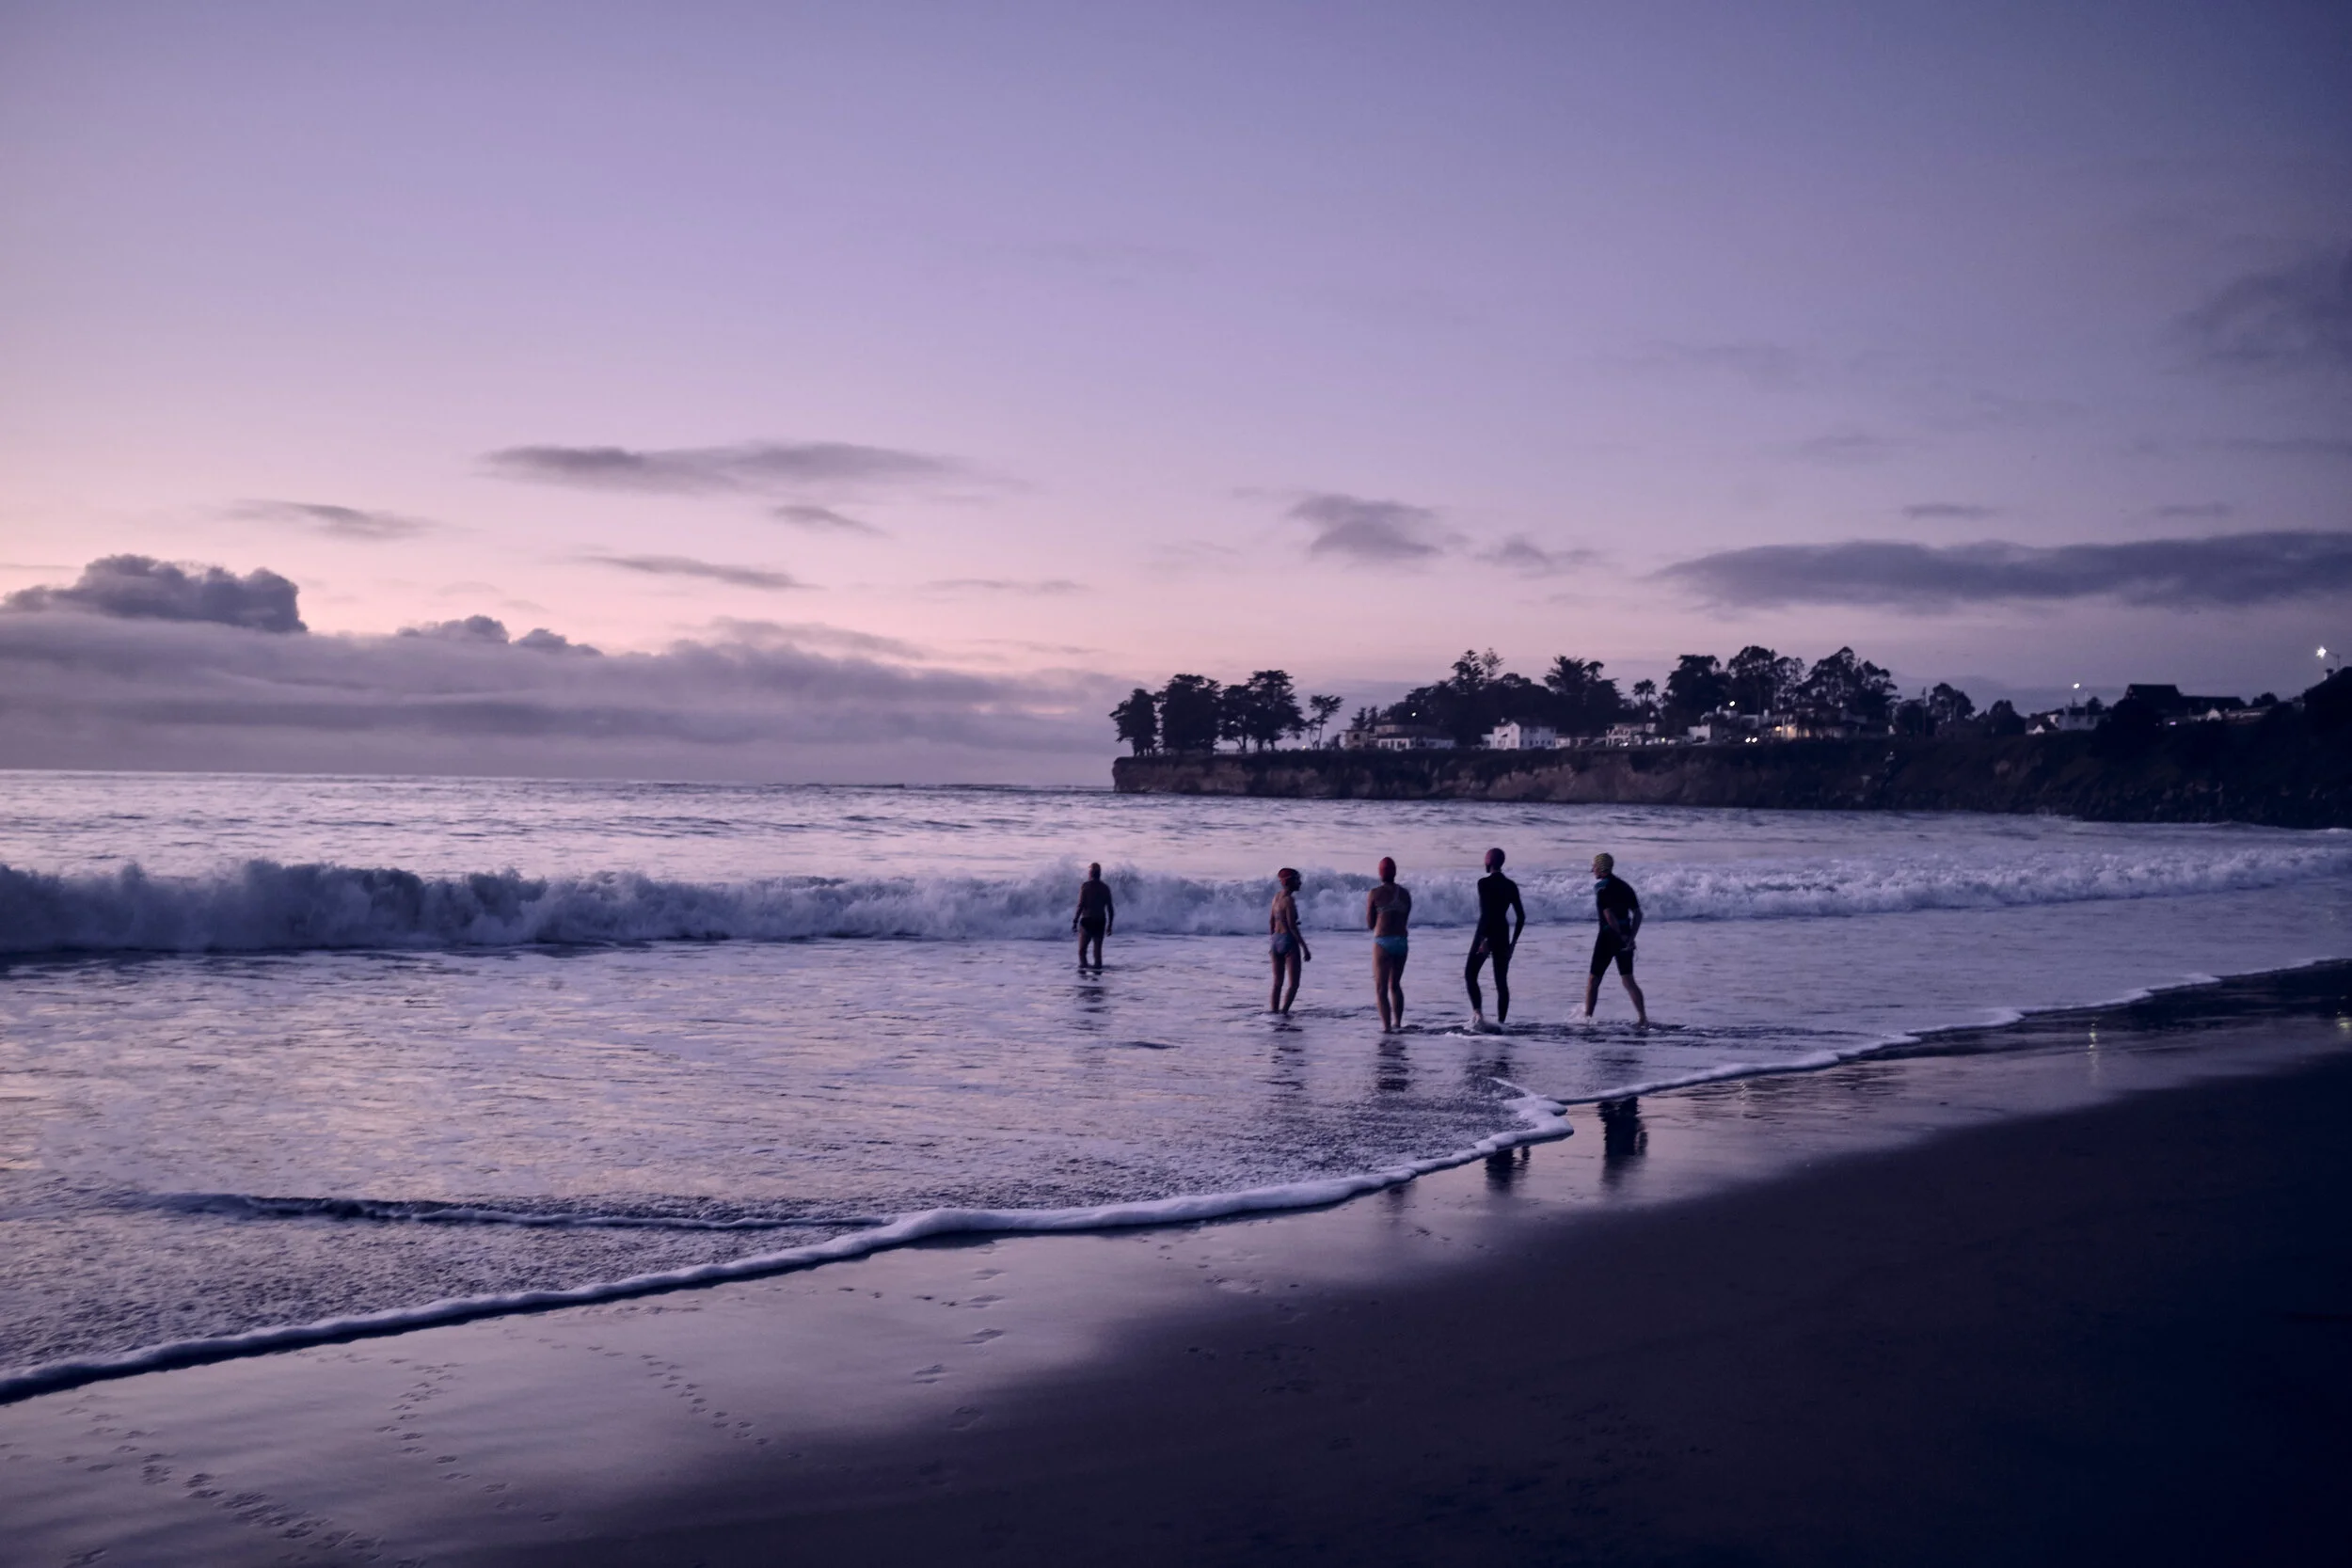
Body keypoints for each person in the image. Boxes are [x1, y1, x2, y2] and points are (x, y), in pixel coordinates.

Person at [1583, 852, 1648, 1026]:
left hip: (1607, 937)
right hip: (1625, 937)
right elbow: (1638, 914)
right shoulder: (1625, 886)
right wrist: (1630, 937)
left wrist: (1620, 936)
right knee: (1628, 979)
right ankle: (1643, 1018)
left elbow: (1609, 916)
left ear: (1601, 867)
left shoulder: (1601, 888)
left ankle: (1587, 1019)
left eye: (1594, 866)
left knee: (1594, 980)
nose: (1592, 869)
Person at [1465, 847, 1525, 1029]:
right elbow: (1521, 917)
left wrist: (1483, 940)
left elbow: (1486, 913)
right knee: (1501, 982)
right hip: (1502, 934)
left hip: (1486, 933)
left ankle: (1478, 1015)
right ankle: (1501, 1024)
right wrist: (1513, 944)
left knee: (1470, 974)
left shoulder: (1483, 883)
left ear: (1489, 862)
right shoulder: (1511, 885)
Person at [1364, 856, 1412, 1031]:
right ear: (1395, 872)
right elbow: (1405, 920)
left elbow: (1370, 924)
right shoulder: (1405, 894)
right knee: (1395, 985)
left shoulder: (1374, 893)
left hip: (1383, 942)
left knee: (1381, 988)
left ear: (1380, 873)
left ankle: (1386, 1028)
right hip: (1401, 942)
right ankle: (1397, 1023)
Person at [1267, 867, 1311, 1013]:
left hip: (1276, 941)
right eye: (1297, 880)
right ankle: (1284, 1012)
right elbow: (1292, 927)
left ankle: (1274, 1012)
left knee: (1277, 983)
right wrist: (1305, 948)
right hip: (1288, 941)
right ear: (1290, 882)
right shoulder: (1289, 901)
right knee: (1294, 984)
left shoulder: (1276, 897)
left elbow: (1271, 922)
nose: (1300, 882)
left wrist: (1272, 941)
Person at [1073, 863, 1114, 967]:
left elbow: (1081, 905)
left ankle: (1083, 972)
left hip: (1087, 921)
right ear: (1100, 874)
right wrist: (1109, 925)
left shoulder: (1086, 886)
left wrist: (1075, 921)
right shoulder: (1105, 888)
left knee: (1082, 951)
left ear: (1090, 873)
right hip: (1100, 922)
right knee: (1097, 953)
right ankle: (1097, 974)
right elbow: (1110, 908)